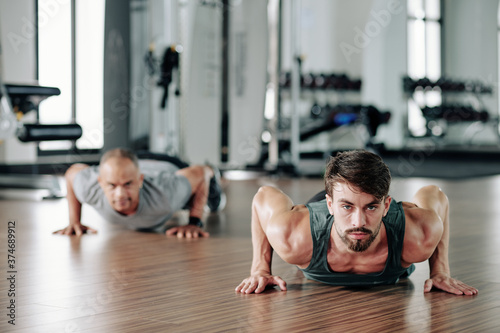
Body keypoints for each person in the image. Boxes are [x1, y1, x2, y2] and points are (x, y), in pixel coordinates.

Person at [235, 150, 478, 295]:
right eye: (347, 207)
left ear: (386, 206)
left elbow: (435, 194)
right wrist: (260, 270)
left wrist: (440, 271)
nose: (359, 222)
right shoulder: (293, 236)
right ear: (330, 205)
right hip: (322, 218)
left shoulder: (419, 234)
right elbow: (263, 195)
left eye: (371, 206)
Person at [54, 148, 225, 238]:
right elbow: (71, 173)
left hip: (167, 165)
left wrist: (195, 222)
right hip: (131, 160)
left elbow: (202, 172)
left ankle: (216, 171)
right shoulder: (88, 186)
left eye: (127, 184)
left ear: (140, 180)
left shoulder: (166, 192)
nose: (120, 194)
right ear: (100, 182)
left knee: (214, 203)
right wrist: (74, 221)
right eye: (112, 185)